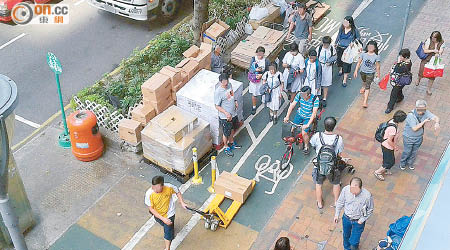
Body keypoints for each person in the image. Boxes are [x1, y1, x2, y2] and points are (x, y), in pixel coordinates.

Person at [145, 176, 187, 250]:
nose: (155, 190)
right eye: (153, 188)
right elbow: (151, 208)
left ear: (162, 185)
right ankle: (169, 227)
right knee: (165, 224)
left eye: (157, 188)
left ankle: (167, 248)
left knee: (168, 233)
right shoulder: (149, 194)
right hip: (158, 214)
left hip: (169, 214)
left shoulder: (169, 187)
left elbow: (177, 191)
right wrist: (163, 219)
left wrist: (182, 202)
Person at [310, 117, 344, 209]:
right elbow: (339, 154)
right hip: (333, 167)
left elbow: (312, 144)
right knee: (336, 183)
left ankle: (320, 203)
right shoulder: (338, 138)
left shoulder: (317, 136)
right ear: (334, 126)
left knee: (318, 184)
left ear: (324, 125)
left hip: (319, 165)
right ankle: (336, 202)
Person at [334, 177, 374, 250]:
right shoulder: (346, 190)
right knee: (346, 235)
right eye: (352, 189)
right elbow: (340, 202)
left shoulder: (367, 196)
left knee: (354, 242)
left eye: (356, 190)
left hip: (358, 221)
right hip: (346, 218)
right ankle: (346, 248)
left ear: (361, 187)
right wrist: (337, 215)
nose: (353, 192)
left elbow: (370, 209)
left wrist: (362, 219)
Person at [400, 100, 440, 170]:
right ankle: (402, 163)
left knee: (414, 152)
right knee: (407, 151)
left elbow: (436, 117)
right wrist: (424, 121)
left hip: (419, 138)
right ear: (416, 107)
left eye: (424, 109)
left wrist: (437, 123)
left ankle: (410, 163)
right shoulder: (410, 115)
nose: (422, 111)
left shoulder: (426, 112)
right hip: (408, 138)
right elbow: (414, 128)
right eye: (420, 109)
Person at [284, 86, 320, 154]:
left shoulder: (315, 99)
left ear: (309, 95)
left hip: (308, 117)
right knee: (292, 128)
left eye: (303, 95)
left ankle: (306, 146)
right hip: (300, 114)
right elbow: (292, 105)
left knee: (304, 133)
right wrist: (287, 116)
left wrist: (308, 124)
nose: (301, 95)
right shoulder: (299, 95)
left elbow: (314, 113)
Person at [373, 110, 407, 181]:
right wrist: (395, 147)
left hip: (385, 145)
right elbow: (389, 140)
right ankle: (378, 172)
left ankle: (385, 169)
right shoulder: (393, 128)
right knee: (389, 162)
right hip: (387, 146)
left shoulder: (392, 121)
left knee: (388, 160)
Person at [215, 73, 242, 157]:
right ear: (220, 82)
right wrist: (226, 113)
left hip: (233, 113)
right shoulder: (218, 92)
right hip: (225, 117)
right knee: (226, 132)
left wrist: (235, 101)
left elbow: (232, 93)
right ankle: (226, 147)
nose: (225, 83)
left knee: (232, 128)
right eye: (223, 82)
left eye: (226, 81)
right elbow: (217, 106)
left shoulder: (229, 85)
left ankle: (231, 142)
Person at [416, 31, 445, 95]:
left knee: (432, 76)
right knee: (421, 71)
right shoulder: (429, 40)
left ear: (438, 38)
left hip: (434, 61)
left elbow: (441, 50)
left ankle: (428, 89)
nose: (433, 39)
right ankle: (418, 79)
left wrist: (439, 53)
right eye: (432, 37)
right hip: (426, 59)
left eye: (434, 38)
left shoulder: (442, 42)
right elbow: (425, 50)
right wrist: (433, 51)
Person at [354, 40, 381, 108]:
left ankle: (365, 101)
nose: (370, 48)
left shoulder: (376, 56)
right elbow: (359, 62)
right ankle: (363, 86)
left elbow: (377, 66)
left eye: (372, 47)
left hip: (370, 73)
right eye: (369, 46)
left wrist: (378, 74)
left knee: (368, 86)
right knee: (364, 81)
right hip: (362, 71)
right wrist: (356, 71)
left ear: (375, 48)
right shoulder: (363, 53)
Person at [335, 16, 360, 87]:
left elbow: (358, 37)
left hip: (348, 50)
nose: (344, 23)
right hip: (340, 47)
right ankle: (341, 69)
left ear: (350, 23)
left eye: (346, 22)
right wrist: (336, 42)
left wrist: (353, 42)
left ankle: (344, 79)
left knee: (347, 63)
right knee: (339, 60)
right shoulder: (342, 28)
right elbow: (338, 35)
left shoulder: (354, 30)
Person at [385, 49, 412, 114]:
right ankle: (400, 97)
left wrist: (398, 62)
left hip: (400, 81)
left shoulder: (407, 64)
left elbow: (397, 69)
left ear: (405, 57)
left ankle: (390, 107)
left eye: (401, 56)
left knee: (393, 93)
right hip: (398, 80)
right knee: (398, 90)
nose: (400, 57)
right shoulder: (406, 62)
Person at [248, 46, 270, 115]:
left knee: (264, 92)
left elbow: (268, 70)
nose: (260, 56)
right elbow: (250, 69)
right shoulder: (253, 59)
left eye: (261, 55)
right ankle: (254, 107)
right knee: (254, 94)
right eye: (258, 55)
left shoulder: (266, 61)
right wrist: (255, 70)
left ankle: (264, 102)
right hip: (254, 80)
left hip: (262, 80)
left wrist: (262, 75)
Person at [316, 36, 336, 107]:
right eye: (324, 44)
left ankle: (324, 98)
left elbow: (334, 57)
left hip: (328, 67)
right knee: (318, 81)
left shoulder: (331, 48)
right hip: (320, 66)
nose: (325, 45)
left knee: (326, 83)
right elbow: (316, 58)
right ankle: (317, 97)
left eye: (327, 44)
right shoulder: (319, 48)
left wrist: (331, 62)